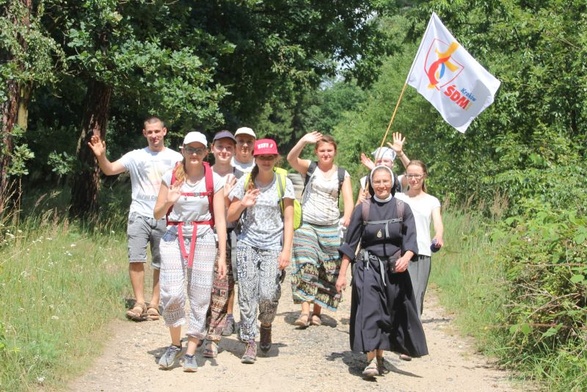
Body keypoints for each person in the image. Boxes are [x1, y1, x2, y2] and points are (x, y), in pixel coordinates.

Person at [336, 165, 428, 378]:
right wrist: (342, 275)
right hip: (368, 267)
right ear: (371, 183)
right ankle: (370, 361)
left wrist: (406, 258)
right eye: (377, 181)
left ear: (393, 182)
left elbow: (411, 240)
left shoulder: (402, 208)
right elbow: (350, 244)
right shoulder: (363, 209)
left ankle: (379, 355)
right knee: (369, 311)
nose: (381, 185)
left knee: (388, 313)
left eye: (385, 181)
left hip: (394, 270)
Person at [87, 116, 182, 321]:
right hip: (139, 214)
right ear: (144, 133)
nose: (154, 136)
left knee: (161, 261)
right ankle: (140, 302)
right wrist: (101, 156)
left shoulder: (176, 159)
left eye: (157, 131)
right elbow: (109, 169)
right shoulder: (136, 156)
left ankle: (155, 303)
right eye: (150, 132)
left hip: (165, 215)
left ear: (164, 132)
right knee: (136, 258)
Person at [153, 131, 227, 372]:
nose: (194, 154)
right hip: (174, 236)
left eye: (199, 150)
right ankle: (175, 344)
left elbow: (221, 220)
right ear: (182, 150)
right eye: (190, 149)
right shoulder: (170, 176)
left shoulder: (213, 179)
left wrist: (223, 256)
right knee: (172, 293)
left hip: (204, 237)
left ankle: (191, 351)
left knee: (200, 295)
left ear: (206, 152)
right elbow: (156, 213)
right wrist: (168, 200)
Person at [227, 138, 294, 364]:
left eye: (270, 157)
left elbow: (289, 218)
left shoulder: (284, 182)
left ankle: (266, 324)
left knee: (268, 294)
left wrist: (286, 251)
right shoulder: (245, 181)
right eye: (262, 157)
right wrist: (244, 202)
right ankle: (249, 341)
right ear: (255, 158)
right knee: (246, 293)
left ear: (276, 158)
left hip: (273, 245)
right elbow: (230, 215)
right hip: (247, 243)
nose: (266, 161)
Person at [286, 131, 354, 327]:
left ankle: (317, 311)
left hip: (331, 226)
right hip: (307, 224)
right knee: (306, 264)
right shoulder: (310, 168)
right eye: (322, 150)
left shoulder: (342, 174)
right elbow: (291, 158)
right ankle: (304, 312)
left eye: (329, 150)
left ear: (335, 152)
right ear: (316, 152)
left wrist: (347, 217)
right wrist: (303, 141)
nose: (325, 154)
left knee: (327, 270)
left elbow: (348, 199)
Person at [203, 130, 238, 358]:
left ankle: (212, 338)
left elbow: (233, 214)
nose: (224, 151)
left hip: (230, 235)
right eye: (220, 146)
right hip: (204, 235)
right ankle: (204, 328)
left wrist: (226, 197)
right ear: (212, 148)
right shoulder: (203, 173)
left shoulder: (242, 176)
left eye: (229, 147)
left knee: (222, 287)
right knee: (203, 287)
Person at [395, 160, 444, 316]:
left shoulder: (432, 201)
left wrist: (438, 235)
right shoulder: (397, 198)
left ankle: (412, 335)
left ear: (424, 176)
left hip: (421, 252)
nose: (413, 179)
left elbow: (438, 223)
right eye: (410, 175)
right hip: (398, 252)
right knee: (396, 296)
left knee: (416, 296)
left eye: (417, 175)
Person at [222, 126, 258, 336]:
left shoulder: (260, 166)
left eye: (249, 141)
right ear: (235, 145)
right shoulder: (228, 167)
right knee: (230, 275)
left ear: (254, 144)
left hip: (254, 230)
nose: (245, 145)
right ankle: (227, 316)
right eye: (241, 141)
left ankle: (248, 318)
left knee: (247, 277)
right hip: (230, 227)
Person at [356, 132, 411, 205]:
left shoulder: (399, 181)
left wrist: (400, 153)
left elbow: (413, 172)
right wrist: (360, 201)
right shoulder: (366, 181)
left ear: (392, 164)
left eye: (386, 161)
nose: (382, 164)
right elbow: (356, 212)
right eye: (379, 161)